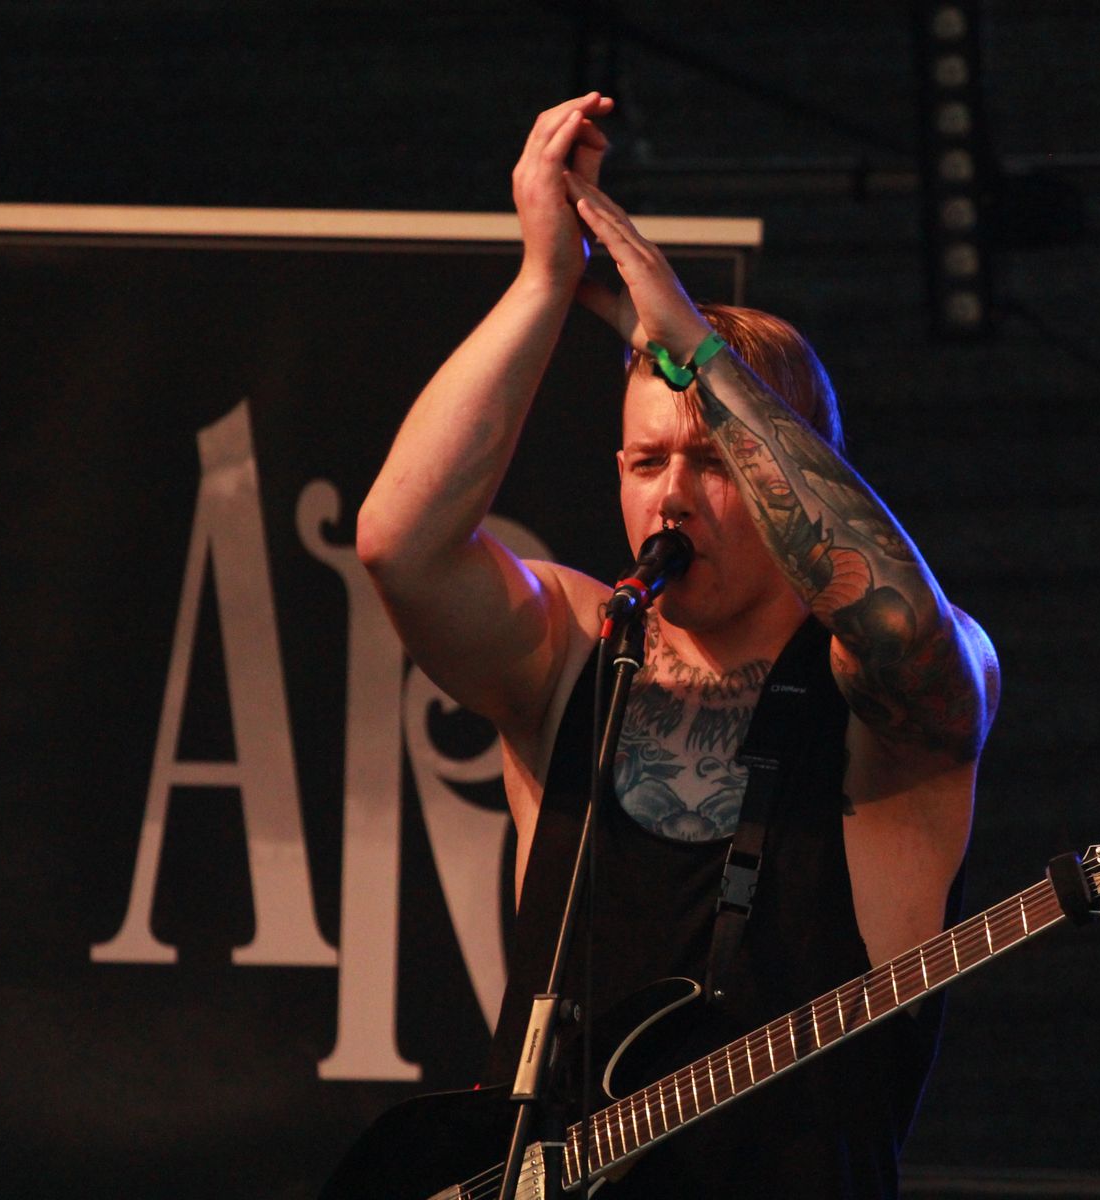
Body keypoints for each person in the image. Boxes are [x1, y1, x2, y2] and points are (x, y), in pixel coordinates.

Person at [355, 92, 999, 1199]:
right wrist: (544, 281)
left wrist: (695, 346)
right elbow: (399, 547)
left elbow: (896, 621)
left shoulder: (877, 696)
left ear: (794, 477)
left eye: (713, 462)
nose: (673, 498)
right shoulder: (574, 645)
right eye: (648, 463)